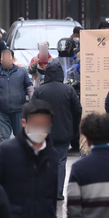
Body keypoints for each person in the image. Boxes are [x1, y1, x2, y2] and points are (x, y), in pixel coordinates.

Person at [33, 62, 82, 200]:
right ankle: (58, 191)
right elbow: (77, 110)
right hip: (63, 131)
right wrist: (74, 128)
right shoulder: (69, 90)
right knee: (60, 161)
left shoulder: (40, 91)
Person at [0, 49, 34, 142]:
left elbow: (29, 87)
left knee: (21, 138)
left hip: (19, 111)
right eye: (2, 58)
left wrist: (33, 102)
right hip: (3, 112)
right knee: (4, 139)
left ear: (12, 59)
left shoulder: (21, 72)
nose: (4, 60)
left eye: (6, 58)